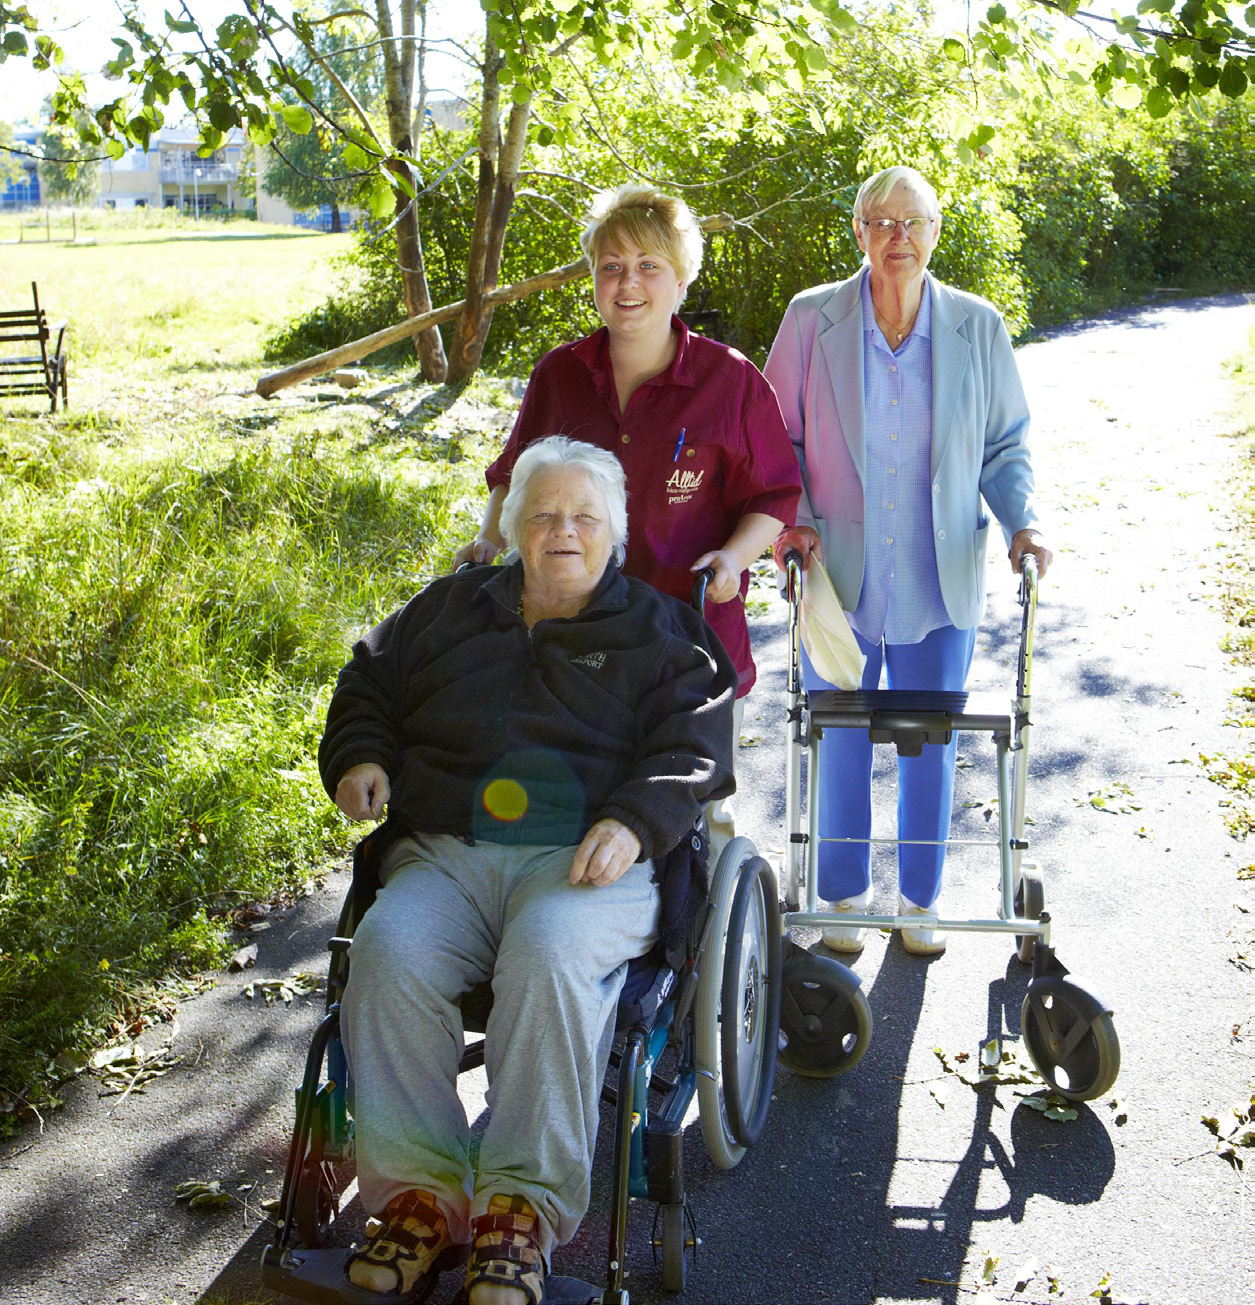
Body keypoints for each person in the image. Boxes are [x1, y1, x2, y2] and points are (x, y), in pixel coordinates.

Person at [319, 436, 736, 1305]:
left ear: (614, 530)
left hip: (587, 859)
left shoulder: (661, 632)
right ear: (511, 526)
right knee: (389, 948)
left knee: (548, 951)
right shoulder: (445, 609)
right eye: (542, 514)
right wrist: (360, 755)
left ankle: (518, 1206)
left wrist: (633, 819)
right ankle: (421, 1196)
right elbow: (367, 682)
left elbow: (694, 744)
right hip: (448, 851)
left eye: (584, 516)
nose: (562, 532)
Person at [454, 183, 800, 853]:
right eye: (610, 266)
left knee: (692, 806)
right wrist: (488, 539)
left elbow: (772, 497)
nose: (627, 282)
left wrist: (732, 558)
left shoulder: (729, 383)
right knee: (582, 793)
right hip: (575, 638)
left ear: (680, 279)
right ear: (592, 279)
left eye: (648, 266)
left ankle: (707, 898)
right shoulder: (560, 374)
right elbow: (513, 476)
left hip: (689, 637)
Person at [764, 165, 1052, 956]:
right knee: (838, 733)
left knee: (930, 738)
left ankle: (919, 902)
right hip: (836, 578)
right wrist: (793, 521)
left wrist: (1023, 521)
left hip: (937, 572)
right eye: (881, 222)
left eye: (913, 222)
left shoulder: (975, 326)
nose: (898, 237)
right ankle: (845, 898)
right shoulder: (810, 320)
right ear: (857, 231)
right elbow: (771, 440)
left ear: (935, 232)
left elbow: (1004, 445)